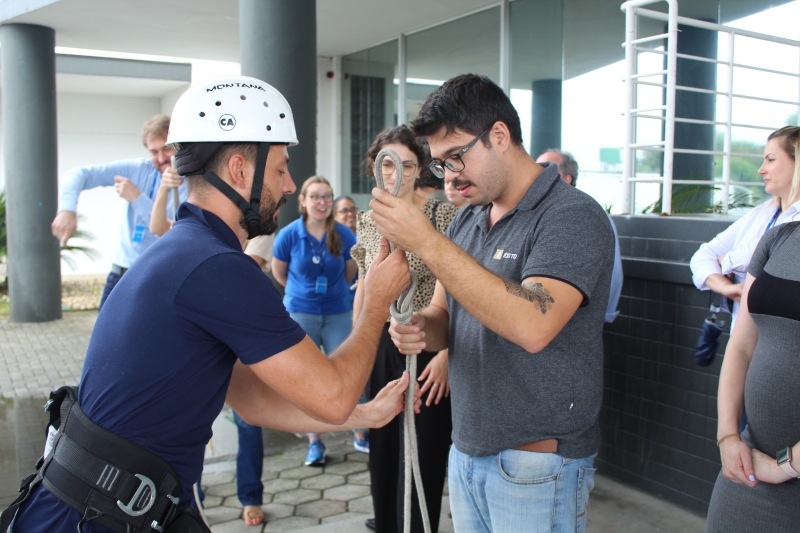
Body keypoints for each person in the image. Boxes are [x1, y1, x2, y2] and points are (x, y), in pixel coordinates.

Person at [4, 76, 414, 533]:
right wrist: (375, 300)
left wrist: (366, 414)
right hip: (92, 519)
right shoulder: (216, 268)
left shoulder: (188, 250)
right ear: (240, 170)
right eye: (280, 169)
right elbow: (334, 396)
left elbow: (251, 398)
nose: (289, 184)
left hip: (87, 508)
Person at [375, 74, 614, 533]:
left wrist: (426, 240)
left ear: (499, 136)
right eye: (441, 164)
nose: (450, 175)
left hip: (537, 463)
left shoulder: (571, 215)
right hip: (466, 448)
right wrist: (420, 327)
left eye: (456, 156)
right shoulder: (468, 219)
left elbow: (533, 324)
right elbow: (445, 315)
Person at [351, 125, 458, 533]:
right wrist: (354, 351)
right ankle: (388, 522)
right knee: (383, 445)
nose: (397, 175)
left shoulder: (443, 214)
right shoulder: (369, 220)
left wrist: (448, 354)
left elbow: (458, 292)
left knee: (425, 450)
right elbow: (365, 287)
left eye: (407, 165)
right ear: (376, 170)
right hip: (381, 343)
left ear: (420, 168)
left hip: (427, 345)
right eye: (388, 166)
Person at [706, 226, 800, 532]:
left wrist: (786, 466)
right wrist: (728, 436)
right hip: (753, 460)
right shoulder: (781, 238)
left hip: (780, 468)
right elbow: (742, 345)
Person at [50, 114, 187, 310]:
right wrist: (66, 209)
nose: (160, 158)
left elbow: (165, 228)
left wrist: (136, 197)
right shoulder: (139, 169)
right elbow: (78, 174)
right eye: (153, 151)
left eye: (166, 148)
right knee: (104, 337)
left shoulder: (192, 181)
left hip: (161, 274)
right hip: (122, 271)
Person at [271, 176, 362, 466]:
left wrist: (330, 294)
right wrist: (304, 294)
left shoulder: (345, 235)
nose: (321, 203)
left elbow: (350, 272)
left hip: (337, 312)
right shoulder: (288, 234)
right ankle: (315, 441)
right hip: (300, 312)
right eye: (315, 197)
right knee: (307, 379)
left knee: (348, 374)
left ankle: (360, 432)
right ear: (304, 201)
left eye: (326, 197)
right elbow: (280, 274)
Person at [690, 126, 800, 328]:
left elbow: (760, 256)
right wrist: (727, 288)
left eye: (771, 159)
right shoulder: (762, 212)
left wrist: (725, 259)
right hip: (742, 335)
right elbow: (703, 255)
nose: (761, 169)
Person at [536, 149, 623, 323]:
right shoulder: (536, 214)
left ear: (567, 179)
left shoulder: (587, 215)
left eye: (547, 170)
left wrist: (602, 315)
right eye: (537, 168)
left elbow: (613, 275)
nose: (538, 175)